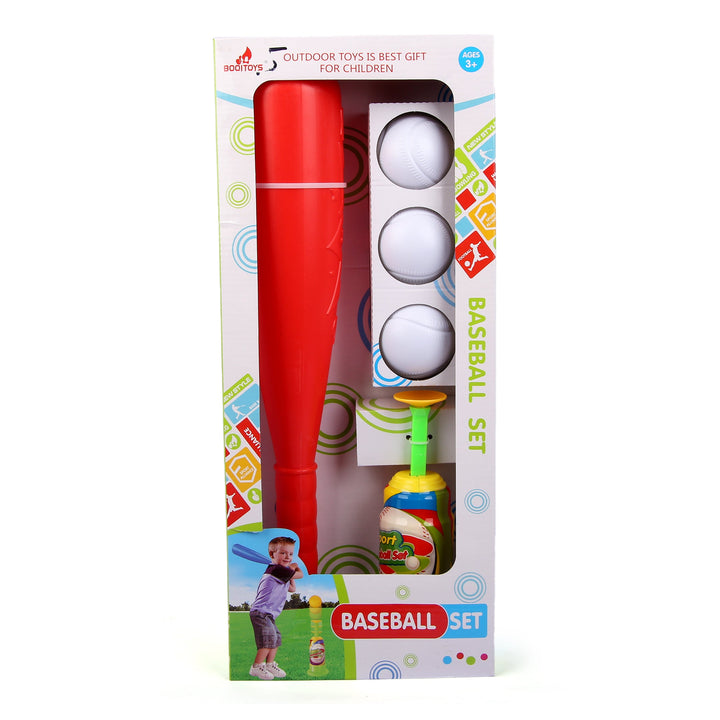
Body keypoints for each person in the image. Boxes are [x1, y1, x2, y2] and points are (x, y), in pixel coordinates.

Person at [248, 536, 303, 679]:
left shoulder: (282, 573)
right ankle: (256, 667)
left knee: (276, 638)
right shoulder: (275, 569)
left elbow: (292, 588)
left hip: (269, 614)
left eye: (290, 554)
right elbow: (300, 575)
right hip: (261, 612)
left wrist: (290, 572)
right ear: (272, 554)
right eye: (283, 553)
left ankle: (269, 664)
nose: (288, 557)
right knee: (268, 639)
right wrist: (293, 567)